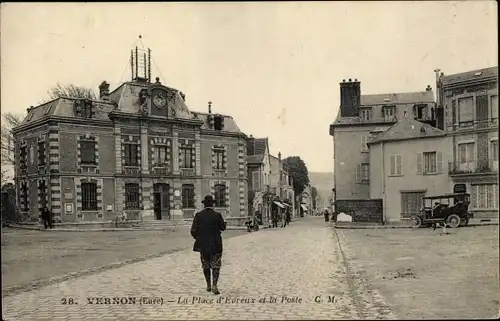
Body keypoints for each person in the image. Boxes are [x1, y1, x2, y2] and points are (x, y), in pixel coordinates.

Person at [190, 195, 227, 295]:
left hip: (203, 246)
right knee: (216, 265)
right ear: (213, 204)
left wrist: (199, 239)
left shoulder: (198, 215)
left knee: (205, 265)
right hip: (216, 245)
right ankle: (215, 285)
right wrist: (224, 223)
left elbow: (193, 231)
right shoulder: (217, 215)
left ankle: (208, 285)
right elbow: (223, 228)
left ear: (204, 205)